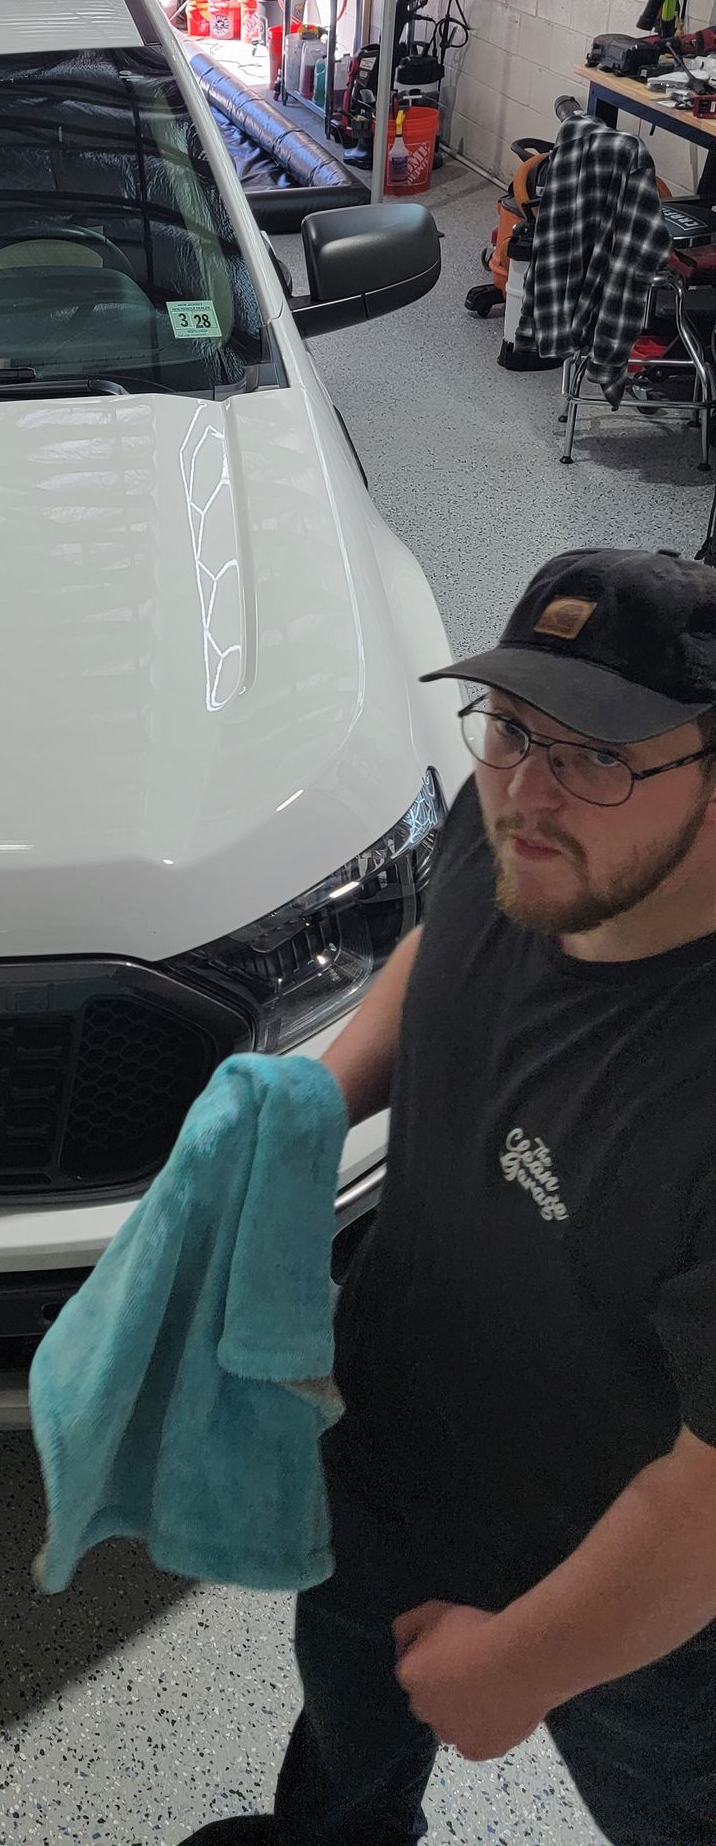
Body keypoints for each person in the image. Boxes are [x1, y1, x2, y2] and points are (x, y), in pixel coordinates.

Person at [182, 548, 716, 1845]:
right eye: (514, 730)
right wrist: (326, 1092)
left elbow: (705, 1499)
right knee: (348, 1723)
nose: (530, 790)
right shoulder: (525, 845)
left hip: (611, 1582)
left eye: (601, 754)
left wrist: (524, 1663)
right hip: (387, 1458)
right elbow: (441, 955)